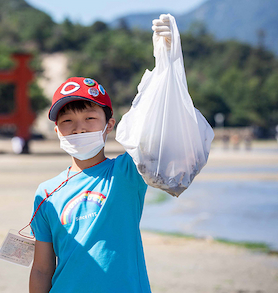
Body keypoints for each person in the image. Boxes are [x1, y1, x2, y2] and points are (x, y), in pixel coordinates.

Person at [28, 16, 197, 293]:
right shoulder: (45, 193)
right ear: (57, 130)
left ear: (110, 125)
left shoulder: (128, 172)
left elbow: (163, 131)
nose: (79, 128)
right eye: (67, 121)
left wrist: (167, 59)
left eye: (90, 118)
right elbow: (42, 268)